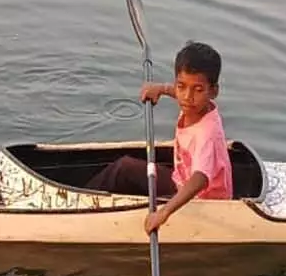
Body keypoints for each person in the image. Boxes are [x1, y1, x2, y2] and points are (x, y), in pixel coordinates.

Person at [86, 41, 234, 233]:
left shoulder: (207, 134)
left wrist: (164, 213)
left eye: (198, 90)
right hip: (181, 178)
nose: (187, 97)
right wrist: (162, 89)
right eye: (181, 86)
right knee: (124, 167)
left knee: (126, 172)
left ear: (213, 91)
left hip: (202, 201)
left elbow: (200, 179)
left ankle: (84, 207)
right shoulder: (195, 104)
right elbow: (183, 93)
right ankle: (87, 196)